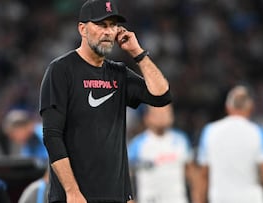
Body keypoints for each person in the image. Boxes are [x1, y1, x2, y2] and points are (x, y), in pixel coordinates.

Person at [38, 0, 171, 202]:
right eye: (101, 25)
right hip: (76, 197)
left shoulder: (118, 73)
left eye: (113, 25)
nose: (108, 32)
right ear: (82, 29)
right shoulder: (61, 70)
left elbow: (161, 96)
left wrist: (138, 53)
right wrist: (72, 192)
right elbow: (52, 136)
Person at [196, 85, 263, 203]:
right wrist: (258, 186)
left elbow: (203, 175)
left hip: (220, 198)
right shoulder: (259, 133)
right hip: (250, 198)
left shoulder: (209, 131)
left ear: (227, 107)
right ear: (251, 107)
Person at [128, 104, 194, 203]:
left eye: (167, 112)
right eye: (158, 113)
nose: (163, 116)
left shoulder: (181, 140)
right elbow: (125, 179)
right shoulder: (137, 144)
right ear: (147, 118)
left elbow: (192, 174)